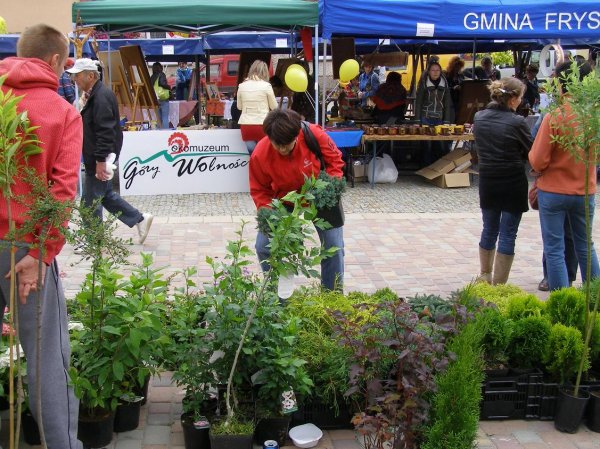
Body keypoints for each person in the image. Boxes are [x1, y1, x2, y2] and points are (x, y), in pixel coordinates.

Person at [0, 23, 84, 449]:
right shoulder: (61, 111)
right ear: (55, 61)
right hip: (22, 249)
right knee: (46, 361)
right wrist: (41, 251)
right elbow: (63, 191)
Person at [249, 109, 345, 291]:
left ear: (296, 135)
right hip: (284, 201)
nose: (283, 149)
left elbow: (335, 161)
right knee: (264, 246)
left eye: (287, 144)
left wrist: (331, 187)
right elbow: (259, 190)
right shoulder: (260, 155)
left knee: (334, 245)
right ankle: (277, 296)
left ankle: (332, 296)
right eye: (278, 145)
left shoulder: (314, 135)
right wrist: (269, 213)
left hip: (318, 195)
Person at [529, 60, 599, 291]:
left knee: (554, 248)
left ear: (562, 83)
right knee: (585, 246)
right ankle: (594, 299)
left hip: (554, 192)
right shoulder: (594, 118)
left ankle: (561, 302)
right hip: (584, 191)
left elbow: (538, 159)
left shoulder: (555, 116)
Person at [67, 58, 153, 244]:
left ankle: (94, 242)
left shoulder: (101, 96)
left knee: (90, 202)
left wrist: (100, 160)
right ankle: (139, 219)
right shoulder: (96, 95)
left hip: (100, 157)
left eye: (77, 75)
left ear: (91, 75)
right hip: (100, 156)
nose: (75, 79)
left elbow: (105, 130)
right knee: (104, 195)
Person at [473, 77, 533, 284]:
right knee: (508, 233)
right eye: (521, 97)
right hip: (512, 181)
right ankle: (499, 285)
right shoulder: (517, 122)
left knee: (489, 227)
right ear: (513, 99)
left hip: (488, 179)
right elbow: (531, 150)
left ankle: (484, 275)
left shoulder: (479, 117)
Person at [414, 61, 453, 165]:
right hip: (425, 117)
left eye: (437, 70)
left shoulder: (444, 84)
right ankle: (425, 167)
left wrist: (447, 121)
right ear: (429, 72)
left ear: (440, 71)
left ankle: (437, 168)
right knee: (426, 144)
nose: (435, 72)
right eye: (433, 70)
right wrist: (417, 121)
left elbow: (447, 103)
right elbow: (418, 102)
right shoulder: (424, 83)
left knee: (439, 144)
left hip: (439, 118)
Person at [236, 60, 278, 154]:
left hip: (246, 125)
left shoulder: (242, 86)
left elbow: (239, 107)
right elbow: (274, 107)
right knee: (264, 153)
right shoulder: (267, 86)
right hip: (262, 124)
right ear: (265, 72)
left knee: (252, 153)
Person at [150, 62, 171, 129]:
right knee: (165, 117)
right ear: (160, 67)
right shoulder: (161, 74)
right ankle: (165, 134)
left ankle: (159, 134)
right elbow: (162, 83)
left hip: (155, 99)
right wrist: (168, 87)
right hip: (163, 98)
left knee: (158, 118)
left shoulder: (152, 76)